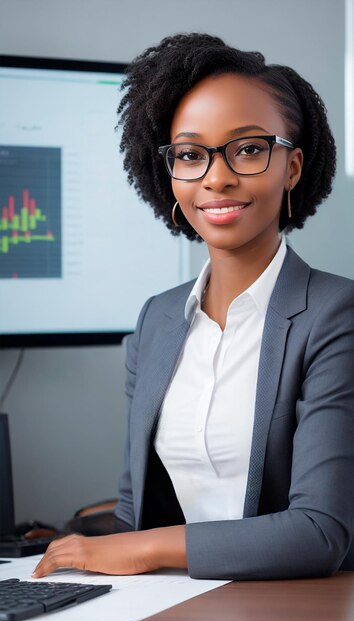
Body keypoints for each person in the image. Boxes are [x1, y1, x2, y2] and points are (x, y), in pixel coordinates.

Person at [33, 33, 354, 581]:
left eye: (249, 149)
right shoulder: (156, 320)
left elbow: (319, 532)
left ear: (293, 168)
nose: (217, 176)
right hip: (182, 603)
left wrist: (148, 549)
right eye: (190, 154)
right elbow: (137, 513)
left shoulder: (336, 314)